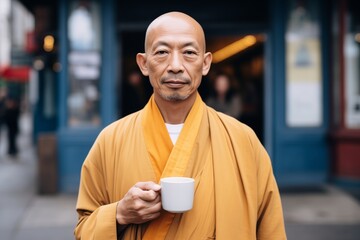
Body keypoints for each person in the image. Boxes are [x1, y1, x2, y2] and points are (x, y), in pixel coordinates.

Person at [75, 11, 286, 239]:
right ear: (143, 64)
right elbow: (84, 228)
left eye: (188, 53)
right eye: (162, 52)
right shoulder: (111, 141)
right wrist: (119, 214)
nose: (175, 65)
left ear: (205, 64)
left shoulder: (243, 141)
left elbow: (271, 230)